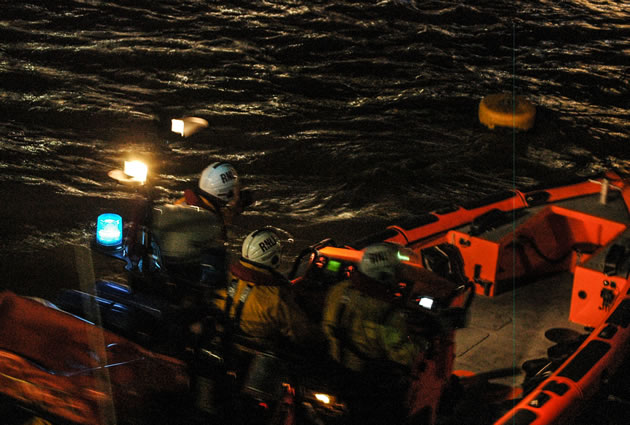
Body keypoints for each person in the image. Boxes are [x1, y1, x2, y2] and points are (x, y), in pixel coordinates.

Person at [320, 242, 430, 424]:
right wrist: (420, 342)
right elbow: (405, 356)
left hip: (336, 369)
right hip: (368, 385)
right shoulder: (388, 313)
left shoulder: (338, 291)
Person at [211, 227, 324, 351]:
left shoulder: (223, 278)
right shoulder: (277, 298)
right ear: (274, 257)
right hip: (257, 355)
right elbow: (304, 334)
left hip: (227, 345)